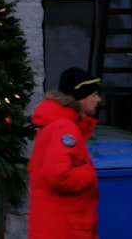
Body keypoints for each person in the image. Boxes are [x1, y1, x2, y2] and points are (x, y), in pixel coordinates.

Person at [28, 67, 102, 238]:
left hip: (58, 226)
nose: (98, 100)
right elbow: (58, 175)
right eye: (94, 95)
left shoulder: (59, 125)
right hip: (63, 229)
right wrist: (89, 173)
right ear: (81, 98)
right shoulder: (65, 128)